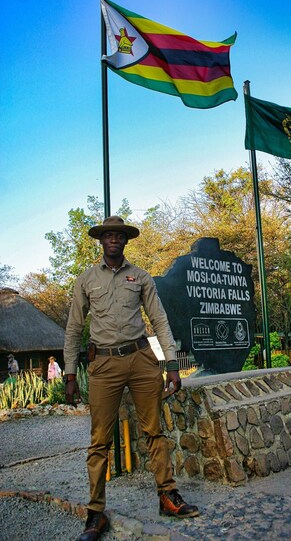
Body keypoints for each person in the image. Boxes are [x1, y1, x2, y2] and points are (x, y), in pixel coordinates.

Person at [63, 216, 199, 541]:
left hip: (140, 359)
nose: (113, 240)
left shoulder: (140, 277)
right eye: (108, 235)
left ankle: (167, 495)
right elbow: (74, 328)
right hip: (104, 364)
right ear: (101, 241)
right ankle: (95, 514)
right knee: (99, 441)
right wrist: (70, 374)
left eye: (119, 236)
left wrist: (172, 365)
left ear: (126, 241)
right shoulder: (86, 280)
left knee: (154, 430)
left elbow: (159, 320)